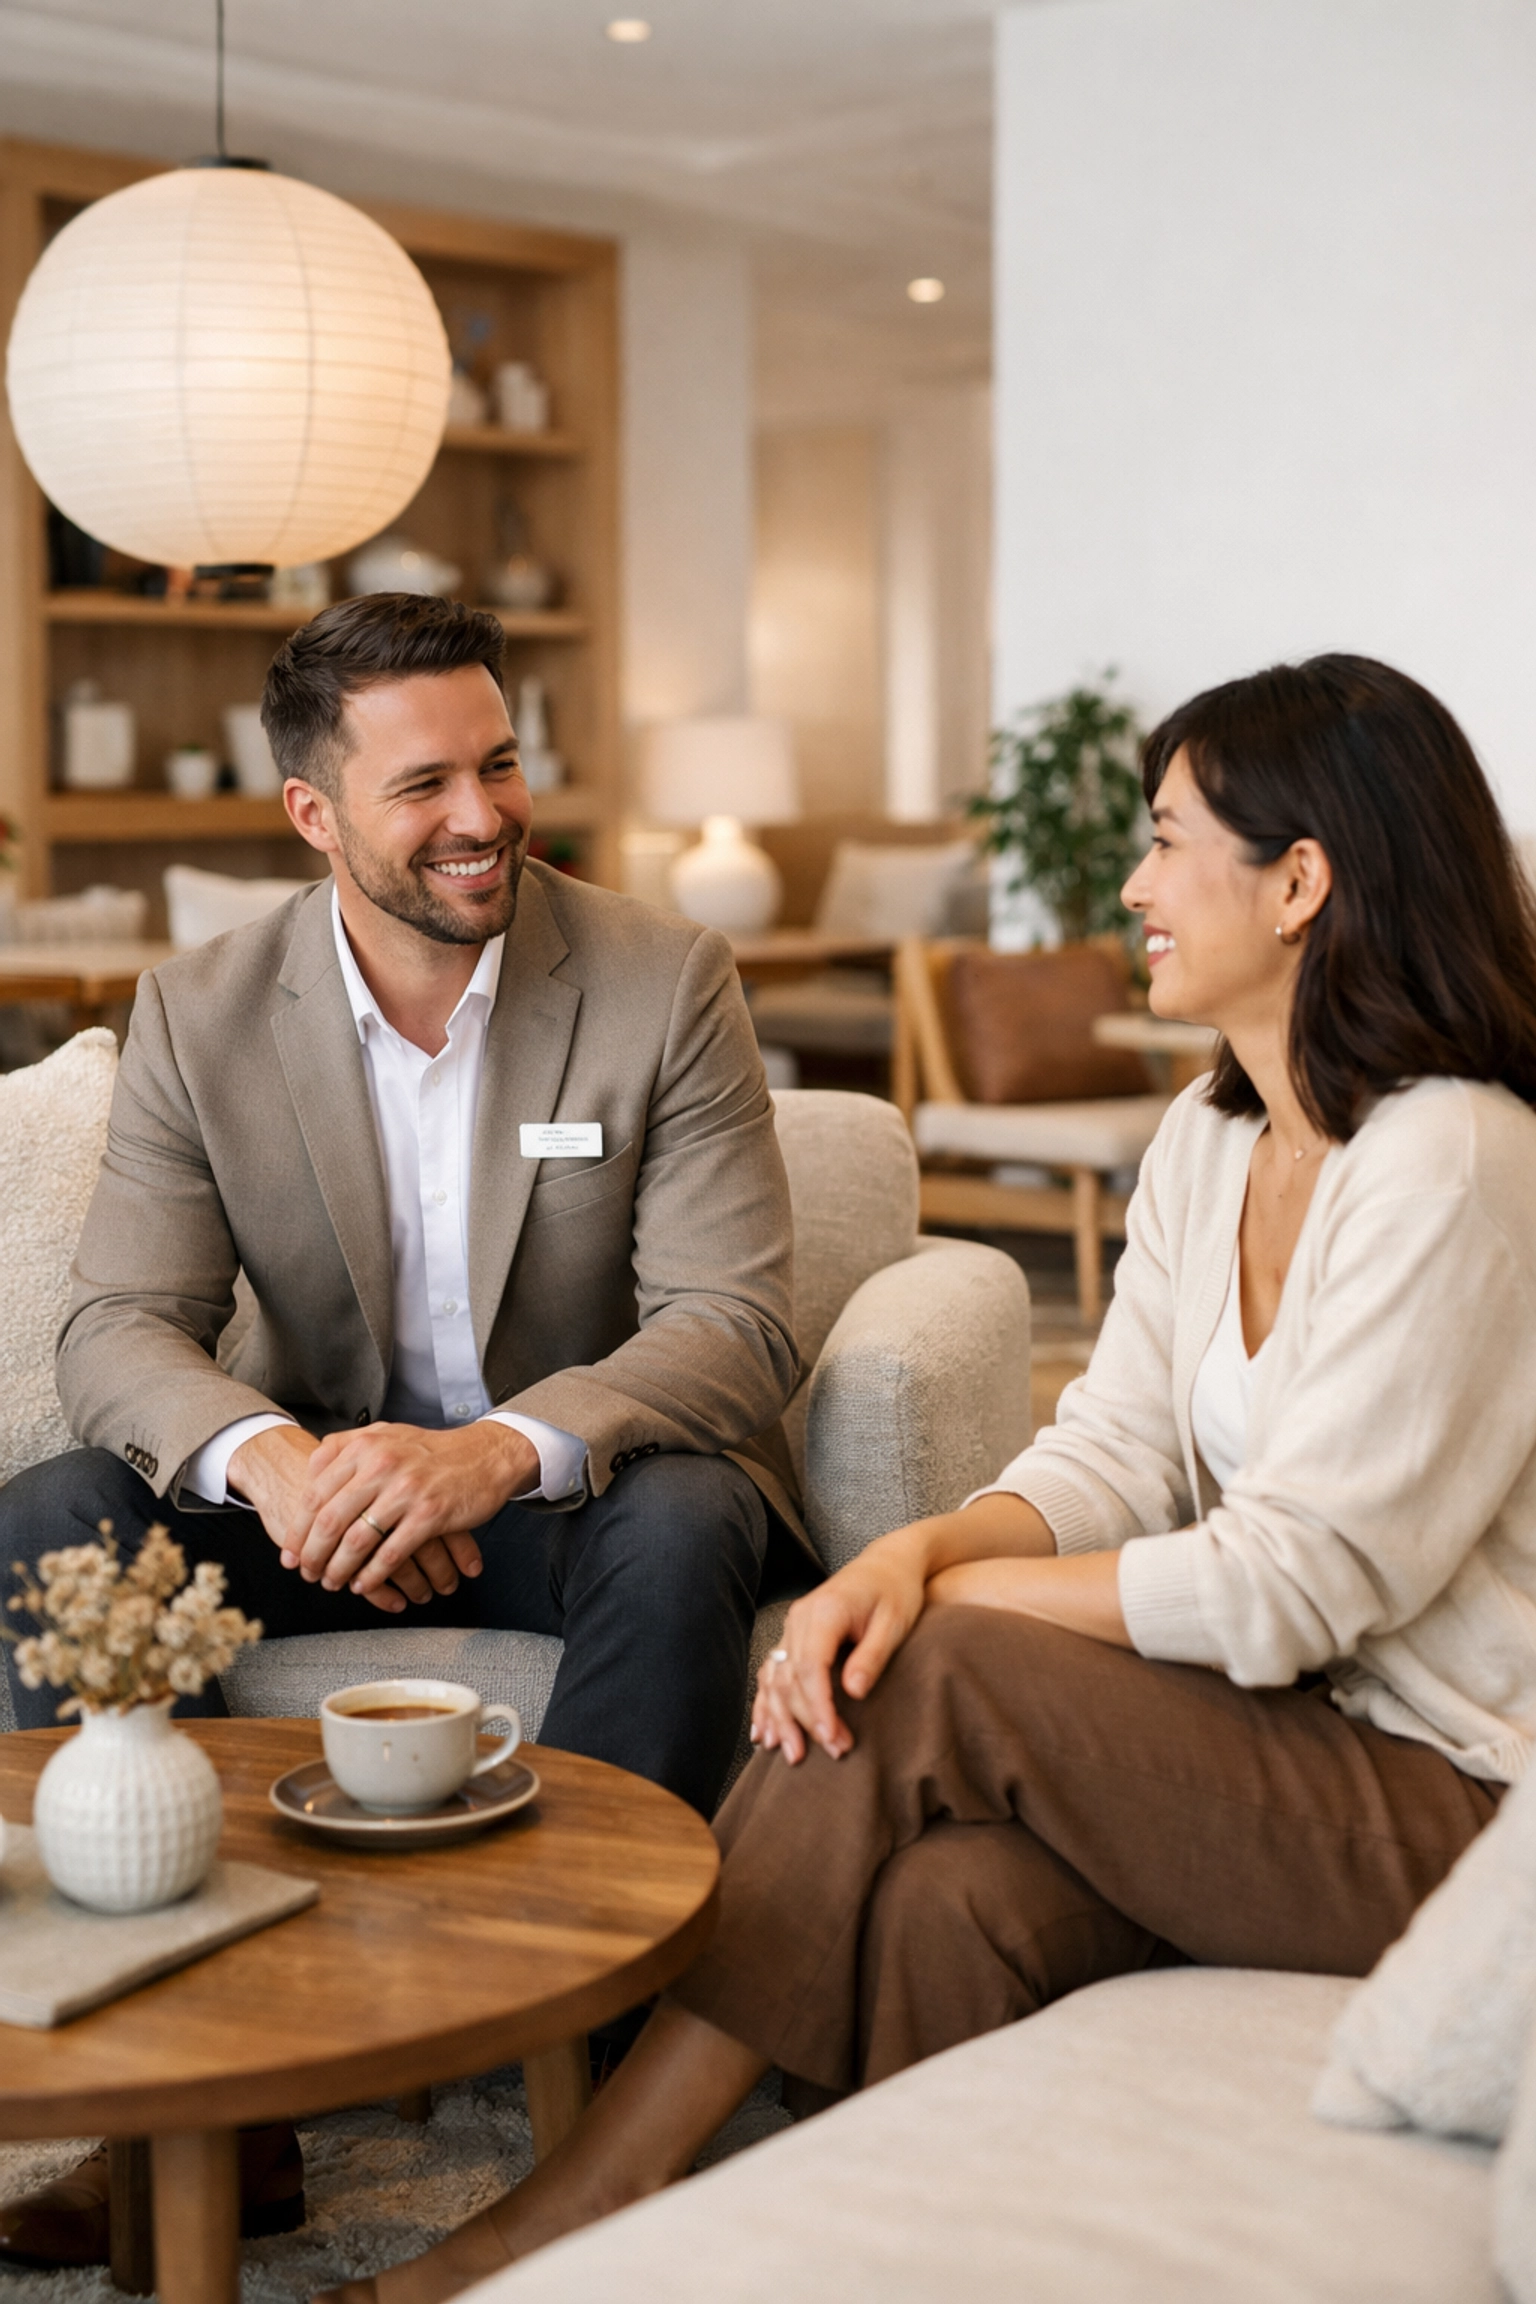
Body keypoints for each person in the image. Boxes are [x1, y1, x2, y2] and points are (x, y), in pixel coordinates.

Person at [323, 651, 1536, 2304]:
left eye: (1170, 840)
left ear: (1304, 880)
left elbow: (1295, 1583)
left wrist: (926, 1580)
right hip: (1297, 1746)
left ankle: (582, 2202)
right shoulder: (1218, 1134)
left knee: (941, 1655)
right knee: (948, 1904)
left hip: (1457, 1810)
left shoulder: (1457, 1157)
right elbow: (1107, 1448)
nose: (1132, 886)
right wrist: (929, 1547)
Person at [0, 591, 808, 2271]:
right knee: (55, 1511)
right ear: (314, 815)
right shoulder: (201, 1009)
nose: (482, 815)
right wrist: (280, 1465)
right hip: (308, 1503)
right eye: (425, 783)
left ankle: (595, 2065)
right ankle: (220, 2099)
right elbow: (116, 1325)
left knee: (689, 1515)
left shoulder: (666, 981)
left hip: (572, 1495)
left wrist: (494, 1451)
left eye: (500, 764)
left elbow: (733, 1327)